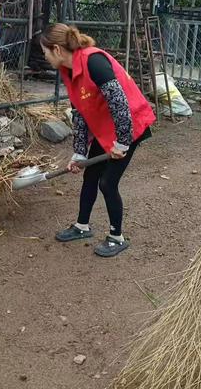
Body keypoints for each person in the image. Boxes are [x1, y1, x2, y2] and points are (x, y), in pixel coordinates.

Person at [40, 24, 155, 257]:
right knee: (90, 174)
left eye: (45, 51)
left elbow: (120, 104)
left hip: (130, 127)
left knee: (107, 182)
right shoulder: (68, 71)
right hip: (107, 130)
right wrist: (80, 153)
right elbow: (79, 113)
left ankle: (116, 236)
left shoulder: (94, 62)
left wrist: (122, 143)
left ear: (57, 50)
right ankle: (82, 226)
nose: (44, 56)